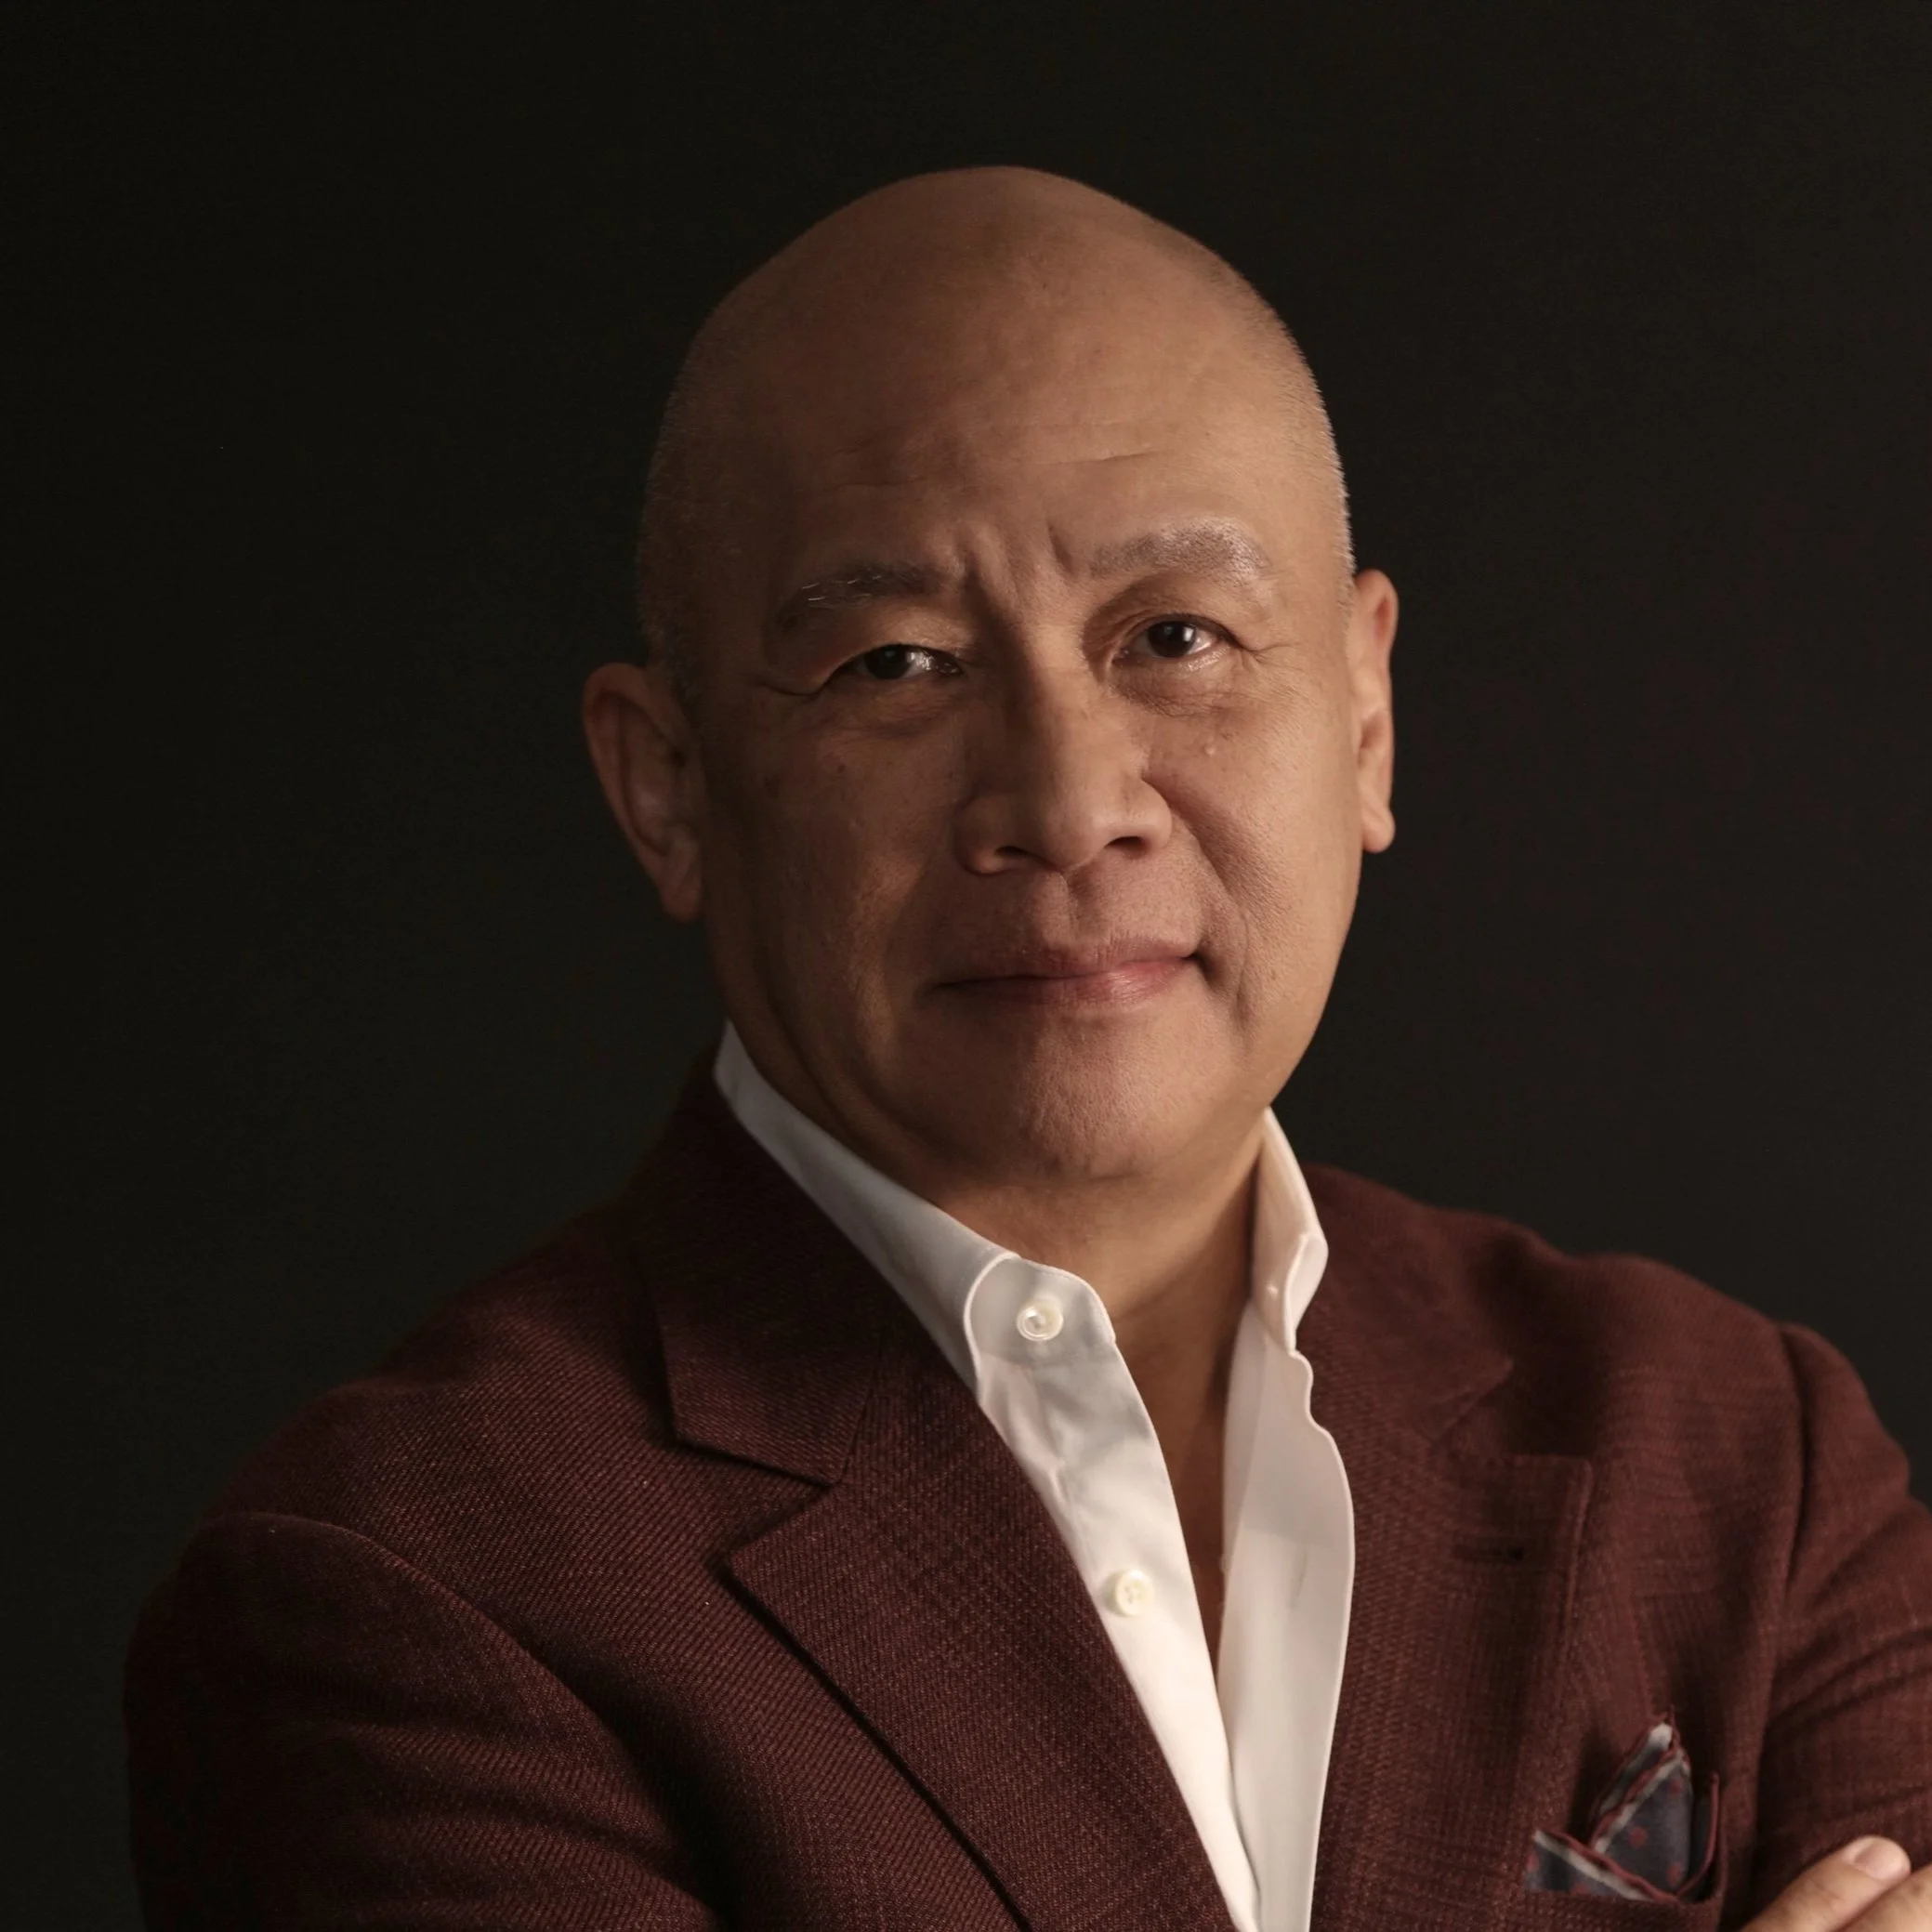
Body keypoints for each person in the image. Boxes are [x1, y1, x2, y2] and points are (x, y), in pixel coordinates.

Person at [125, 166, 1932, 1931]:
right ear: (667, 788)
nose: (1068, 805)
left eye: (1174, 636)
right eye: (898, 666)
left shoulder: (1736, 1461)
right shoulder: (415, 1585)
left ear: (1366, 716)